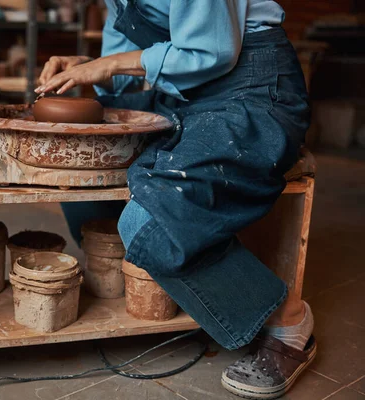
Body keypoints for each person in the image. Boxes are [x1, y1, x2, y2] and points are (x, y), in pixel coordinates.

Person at [35, 1, 314, 398]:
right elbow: (128, 56)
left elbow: (211, 51)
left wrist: (109, 65)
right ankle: (133, 277)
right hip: (190, 93)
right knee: (79, 157)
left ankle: (290, 322)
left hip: (253, 90)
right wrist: (89, 66)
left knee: (149, 225)